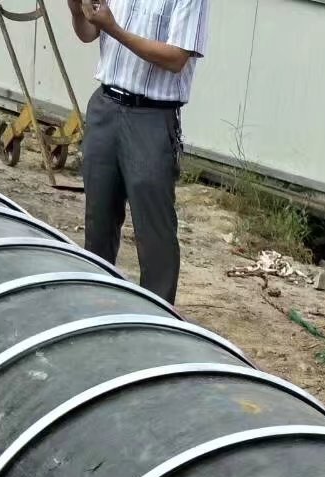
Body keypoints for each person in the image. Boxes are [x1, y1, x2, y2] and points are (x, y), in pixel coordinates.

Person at [66, 0, 210, 303]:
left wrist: (114, 29)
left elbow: (176, 58)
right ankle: (96, 306)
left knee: (154, 231)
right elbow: (88, 33)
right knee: (98, 220)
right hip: (105, 107)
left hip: (152, 116)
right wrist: (77, 9)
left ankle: (156, 317)